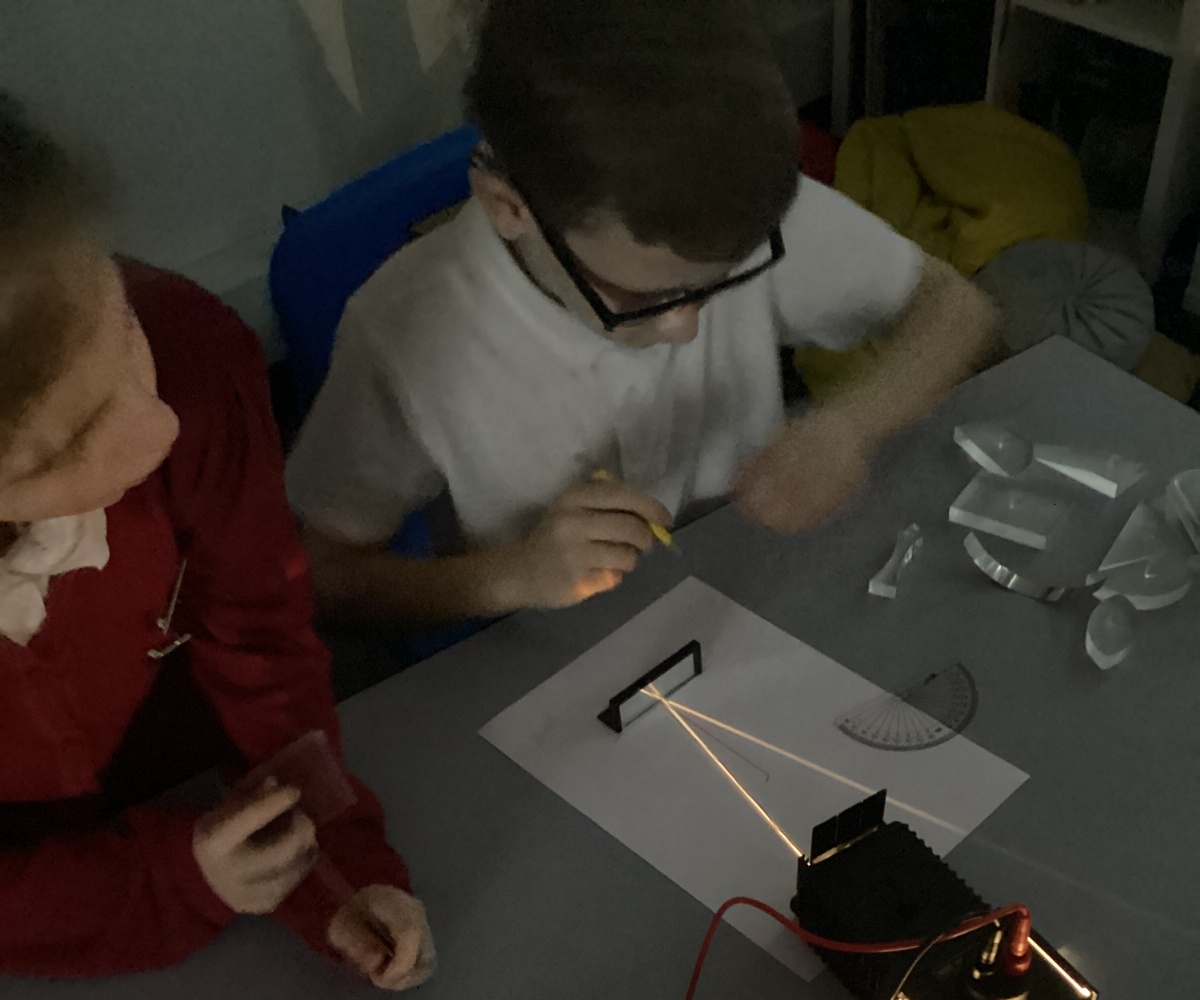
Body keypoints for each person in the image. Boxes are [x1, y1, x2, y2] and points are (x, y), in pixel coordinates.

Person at [287, 0, 999, 632]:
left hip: (753, 599)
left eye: (724, 281)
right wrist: (512, 576)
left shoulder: (723, 206)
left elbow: (958, 311)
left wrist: (848, 426)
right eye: (640, 298)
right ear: (509, 207)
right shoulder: (407, 335)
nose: (684, 329)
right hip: (554, 662)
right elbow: (323, 581)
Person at [0, 95, 433, 986]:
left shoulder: (190, 354)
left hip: (196, 793)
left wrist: (333, 861)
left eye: (122, 327)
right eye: (68, 447)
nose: (158, 430)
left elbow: (262, 644)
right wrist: (166, 882)